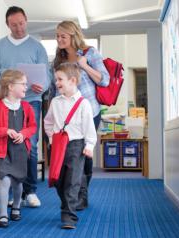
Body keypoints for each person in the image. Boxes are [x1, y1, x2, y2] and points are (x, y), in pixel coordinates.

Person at [0, 6, 50, 207]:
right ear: (8, 25)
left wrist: (42, 87)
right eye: (14, 25)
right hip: (6, 103)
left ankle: (30, 191)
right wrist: (9, 74)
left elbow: (46, 77)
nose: (19, 28)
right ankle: (15, 191)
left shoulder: (37, 47)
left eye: (21, 23)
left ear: (26, 20)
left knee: (29, 146)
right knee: (9, 146)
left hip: (31, 101)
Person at [53, 21, 109, 210]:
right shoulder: (58, 59)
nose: (59, 39)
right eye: (57, 36)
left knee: (85, 155)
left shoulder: (89, 53)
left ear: (73, 35)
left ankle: (81, 193)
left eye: (63, 36)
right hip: (68, 116)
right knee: (72, 156)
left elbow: (104, 80)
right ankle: (76, 194)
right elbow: (57, 87)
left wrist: (84, 66)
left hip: (89, 110)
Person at [44, 63, 97, 229]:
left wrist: (89, 145)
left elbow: (89, 127)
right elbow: (48, 122)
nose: (57, 83)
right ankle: (67, 203)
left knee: (72, 181)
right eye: (56, 79)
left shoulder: (83, 104)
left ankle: (69, 216)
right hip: (58, 145)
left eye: (60, 79)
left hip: (76, 145)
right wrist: (52, 139)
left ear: (73, 81)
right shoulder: (55, 102)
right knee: (58, 180)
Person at [0, 70, 37, 228]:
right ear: (11, 86)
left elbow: (33, 127)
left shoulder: (26, 107)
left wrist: (24, 134)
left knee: (18, 182)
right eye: (23, 84)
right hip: (0, 151)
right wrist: (5, 131)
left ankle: (16, 206)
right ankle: (2, 215)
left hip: (19, 150)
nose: (26, 87)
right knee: (4, 180)